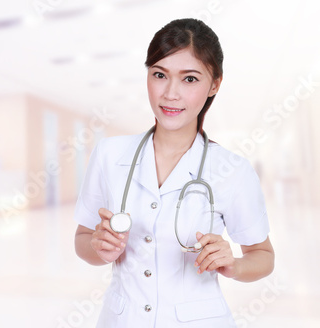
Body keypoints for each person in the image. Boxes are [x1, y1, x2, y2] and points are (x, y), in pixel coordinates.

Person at [74, 18, 274, 327]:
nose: (170, 93)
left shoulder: (232, 170)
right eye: (159, 75)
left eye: (190, 79)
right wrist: (99, 248)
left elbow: (263, 255)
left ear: (215, 83)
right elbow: (83, 239)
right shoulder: (109, 154)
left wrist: (232, 264)